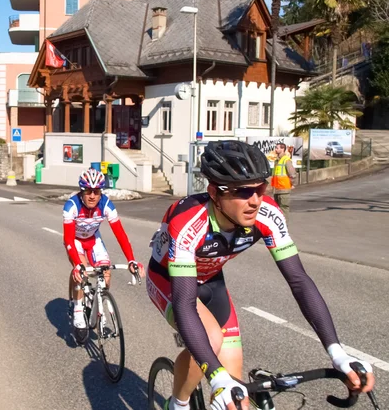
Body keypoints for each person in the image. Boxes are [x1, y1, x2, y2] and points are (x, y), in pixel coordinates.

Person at [146, 141, 375, 410]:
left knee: (238, 401)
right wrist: (217, 377)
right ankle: (179, 404)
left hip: (212, 282)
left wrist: (338, 355)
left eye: (260, 188)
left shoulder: (268, 214)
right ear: (214, 193)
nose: (255, 200)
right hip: (169, 281)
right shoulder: (187, 222)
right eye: (242, 191)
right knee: (212, 342)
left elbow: (299, 281)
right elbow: (184, 303)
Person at [63, 168, 145, 330]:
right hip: (76, 241)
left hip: (93, 240)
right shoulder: (71, 206)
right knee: (83, 272)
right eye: (88, 191)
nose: (92, 196)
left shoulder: (106, 204)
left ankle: (99, 307)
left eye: (96, 191)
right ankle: (78, 308)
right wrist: (78, 265)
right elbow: (68, 239)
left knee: (106, 273)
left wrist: (131, 259)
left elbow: (120, 234)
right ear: (82, 191)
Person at [271, 142, 296, 218]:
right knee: (277, 212)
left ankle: (284, 229)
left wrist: (291, 184)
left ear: (282, 149)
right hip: (277, 190)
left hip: (284, 190)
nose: (275, 149)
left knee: (283, 211)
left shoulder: (286, 160)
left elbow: (292, 174)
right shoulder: (277, 160)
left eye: (277, 148)